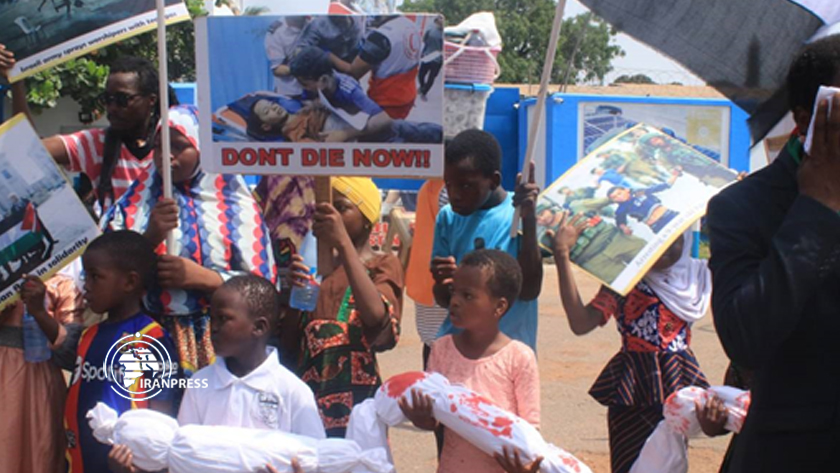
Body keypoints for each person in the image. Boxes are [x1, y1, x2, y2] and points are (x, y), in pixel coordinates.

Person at [706, 35, 840, 472]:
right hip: (790, 454)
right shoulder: (742, 208)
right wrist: (816, 210)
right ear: (808, 117)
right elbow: (746, 340)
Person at [101, 105, 276, 375]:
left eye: (179, 146)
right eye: (159, 146)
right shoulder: (136, 202)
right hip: (147, 336)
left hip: (216, 339)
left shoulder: (235, 203)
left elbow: (263, 282)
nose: (165, 156)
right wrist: (150, 237)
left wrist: (203, 278)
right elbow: (104, 270)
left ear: (201, 148)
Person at [108, 275, 325, 473]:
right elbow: (182, 454)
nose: (213, 328)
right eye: (212, 319)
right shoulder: (200, 383)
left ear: (258, 327)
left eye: (224, 319)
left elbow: (318, 459)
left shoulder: (292, 391)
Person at [552, 216, 710, 473]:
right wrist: (561, 255)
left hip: (676, 381)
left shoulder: (697, 277)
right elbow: (580, 323)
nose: (666, 248)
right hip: (632, 387)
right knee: (630, 462)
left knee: (671, 461)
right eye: (658, 238)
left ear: (686, 239)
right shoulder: (624, 280)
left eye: (675, 239)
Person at [400, 249, 540, 473]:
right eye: (454, 292)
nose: (454, 301)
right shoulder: (442, 349)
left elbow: (530, 430)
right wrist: (425, 420)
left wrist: (525, 466)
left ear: (499, 306)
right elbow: (437, 413)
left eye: (468, 296)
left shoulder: (518, 357)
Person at [284, 177, 404, 438]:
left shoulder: (382, 264)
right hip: (307, 396)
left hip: (357, 401)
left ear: (366, 218)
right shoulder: (313, 264)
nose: (332, 216)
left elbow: (377, 319)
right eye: (325, 208)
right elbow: (289, 339)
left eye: (342, 207)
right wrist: (293, 291)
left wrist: (343, 244)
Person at [0, 49, 170, 213]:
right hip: (115, 242)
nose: (112, 108)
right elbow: (27, 148)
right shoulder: (95, 145)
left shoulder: (174, 147)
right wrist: (17, 83)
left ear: (151, 100)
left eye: (122, 99)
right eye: (107, 99)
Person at [64, 230, 178, 473]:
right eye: (86, 276)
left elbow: (161, 415)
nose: (86, 286)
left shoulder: (151, 338)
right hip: (82, 461)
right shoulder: (89, 336)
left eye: (96, 277)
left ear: (129, 282)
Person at [431, 130, 543, 351]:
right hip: (458, 352)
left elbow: (529, 291)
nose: (454, 195)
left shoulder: (519, 211)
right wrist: (444, 282)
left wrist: (528, 222)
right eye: (448, 184)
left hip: (507, 353)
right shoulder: (448, 217)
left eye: (465, 186)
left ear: (494, 181)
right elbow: (444, 300)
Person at [0, 273, 83, 473]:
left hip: (39, 378)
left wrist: (39, 310)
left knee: (38, 442)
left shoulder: (61, 284)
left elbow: (71, 345)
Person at [290, 46, 394, 143]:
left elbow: (385, 118)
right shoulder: (314, 85)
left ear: (323, 80)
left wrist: (345, 134)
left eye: (304, 84)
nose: (302, 88)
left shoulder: (349, 90)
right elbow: (307, 100)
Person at [330, 15, 422, 120]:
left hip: (386, 101)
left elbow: (353, 71)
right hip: (407, 96)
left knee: (378, 133)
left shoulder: (381, 37)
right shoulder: (409, 24)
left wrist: (328, 55)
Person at [404, 179, 449, 368]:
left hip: (426, 282)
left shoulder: (431, 185)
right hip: (442, 282)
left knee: (432, 345)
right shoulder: (449, 188)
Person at [607, 169, 681, 235]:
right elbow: (620, 222)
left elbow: (662, 186)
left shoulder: (640, 192)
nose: (619, 197)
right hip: (657, 225)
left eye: (619, 193)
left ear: (626, 190)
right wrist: (624, 228)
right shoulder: (621, 209)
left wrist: (675, 175)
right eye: (614, 197)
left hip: (669, 215)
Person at [265, 16, 308, 98]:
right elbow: (277, 69)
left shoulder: (312, 25)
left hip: (314, 89)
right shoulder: (277, 32)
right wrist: (299, 68)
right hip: (290, 92)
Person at [296, 15, 365, 64]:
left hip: (352, 58)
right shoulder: (319, 24)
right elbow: (300, 51)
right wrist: (321, 54)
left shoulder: (356, 17)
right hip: (326, 66)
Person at [419, 16, 444, 101]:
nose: (441, 21)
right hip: (428, 55)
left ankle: (424, 92)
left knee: (431, 77)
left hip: (438, 59)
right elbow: (425, 42)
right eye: (439, 19)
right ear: (436, 21)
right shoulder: (430, 31)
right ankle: (422, 87)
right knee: (421, 74)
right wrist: (423, 52)